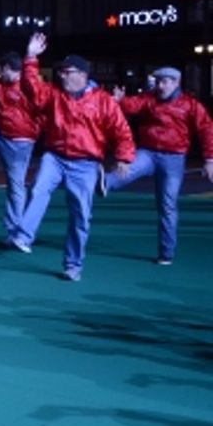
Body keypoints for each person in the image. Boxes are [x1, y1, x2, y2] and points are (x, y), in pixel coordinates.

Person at [8, 36, 134, 281]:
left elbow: (122, 131)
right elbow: (30, 88)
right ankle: (23, 235)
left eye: (68, 72)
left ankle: (73, 264)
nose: (63, 76)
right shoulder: (54, 95)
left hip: (86, 163)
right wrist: (31, 56)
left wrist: (124, 157)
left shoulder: (103, 101)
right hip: (55, 157)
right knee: (38, 188)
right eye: (62, 72)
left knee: (80, 215)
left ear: (83, 75)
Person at [100, 66, 212, 265]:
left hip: (174, 158)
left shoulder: (190, 105)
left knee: (167, 205)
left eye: (165, 82)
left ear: (176, 83)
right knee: (128, 167)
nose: (160, 86)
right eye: (158, 81)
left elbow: (206, 130)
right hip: (149, 152)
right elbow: (132, 105)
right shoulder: (149, 99)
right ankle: (103, 184)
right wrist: (119, 100)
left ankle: (166, 253)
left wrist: (209, 159)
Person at [0, 52, 43, 243]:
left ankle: (15, 230)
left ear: (7, 67)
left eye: (0, 68)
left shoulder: (29, 86)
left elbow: (43, 111)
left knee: (15, 185)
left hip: (20, 141)